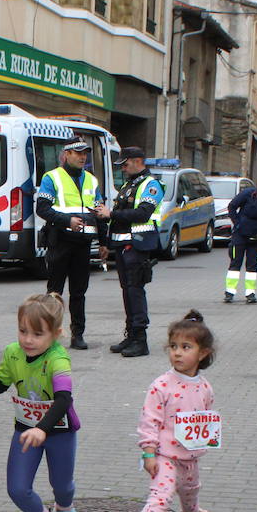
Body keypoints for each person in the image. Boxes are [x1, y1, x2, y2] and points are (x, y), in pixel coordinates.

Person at [0, 292, 84, 512]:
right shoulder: (13, 353)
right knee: (16, 487)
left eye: (37, 334)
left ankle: (65, 509)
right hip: (26, 429)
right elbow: (3, 378)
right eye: (23, 331)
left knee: (62, 485)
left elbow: (63, 400)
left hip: (59, 431)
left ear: (56, 334)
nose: (27, 339)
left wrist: (42, 428)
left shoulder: (58, 359)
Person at [130, 310, 225, 512]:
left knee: (191, 488)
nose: (178, 353)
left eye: (186, 347)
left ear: (203, 353)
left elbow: (205, 417)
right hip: (164, 454)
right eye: (173, 346)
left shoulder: (205, 387)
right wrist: (149, 452)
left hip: (190, 454)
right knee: (160, 497)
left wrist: (207, 437)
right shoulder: (161, 385)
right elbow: (149, 420)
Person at [36, 139, 105, 350]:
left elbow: (100, 211)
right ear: (66, 155)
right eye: (77, 153)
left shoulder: (91, 180)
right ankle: (48, 334)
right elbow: (42, 208)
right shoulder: (52, 177)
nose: (82, 157)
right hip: (60, 241)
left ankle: (78, 334)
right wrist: (68, 221)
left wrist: (104, 242)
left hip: (83, 244)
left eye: (85, 153)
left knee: (79, 292)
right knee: (54, 292)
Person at [103, 146, 164, 358]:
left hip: (138, 245)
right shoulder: (130, 184)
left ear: (138, 161)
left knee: (135, 291)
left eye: (126, 164)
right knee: (127, 291)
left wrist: (110, 213)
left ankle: (140, 340)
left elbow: (143, 213)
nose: (123, 169)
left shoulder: (151, 185)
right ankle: (130, 335)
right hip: (123, 245)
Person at [223, 174, 257, 304]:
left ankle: (250, 293)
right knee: (235, 263)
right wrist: (237, 223)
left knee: (252, 266)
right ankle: (229, 292)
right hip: (240, 236)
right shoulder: (247, 194)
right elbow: (232, 207)